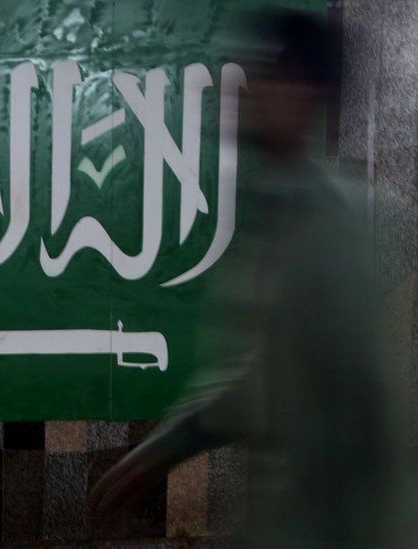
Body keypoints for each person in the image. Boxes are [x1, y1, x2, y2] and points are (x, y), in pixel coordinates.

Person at [90, 10, 415, 547]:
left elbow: (364, 412)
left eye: (270, 75)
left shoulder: (331, 226)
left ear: (308, 95)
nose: (248, 90)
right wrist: (161, 453)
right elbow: (264, 378)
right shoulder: (281, 214)